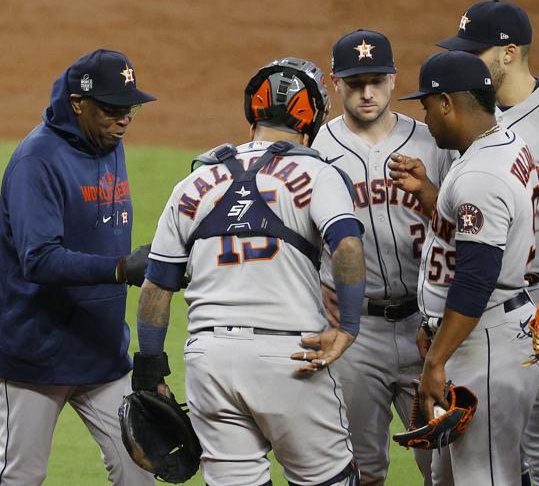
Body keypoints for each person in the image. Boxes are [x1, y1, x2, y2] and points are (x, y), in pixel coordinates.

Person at [129, 57, 366, 486]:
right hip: (291, 357)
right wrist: (347, 326)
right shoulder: (318, 174)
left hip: (210, 361)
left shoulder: (192, 184)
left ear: (252, 111)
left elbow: (156, 287)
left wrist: (148, 369)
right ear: (311, 115)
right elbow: (347, 246)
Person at [0, 49, 156, 486]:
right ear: (79, 103)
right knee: (21, 475)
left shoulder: (108, 143)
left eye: (129, 109)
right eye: (112, 109)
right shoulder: (37, 161)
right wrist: (119, 269)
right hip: (35, 350)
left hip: (100, 348)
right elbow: (38, 258)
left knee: (139, 474)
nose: (123, 120)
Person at [436, 0, 539, 486]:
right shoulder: (470, 115)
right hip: (475, 313)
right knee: (486, 458)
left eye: (474, 52)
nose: (462, 62)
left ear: (508, 53)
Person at [388, 50, 539, 485]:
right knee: (449, 479)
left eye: (425, 106)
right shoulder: (502, 141)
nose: (425, 117)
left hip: (484, 344)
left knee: (484, 478)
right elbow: (477, 232)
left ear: (446, 103)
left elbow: (476, 278)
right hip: (483, 332)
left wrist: (435, 362)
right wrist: (430, 195)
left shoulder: (481, 174)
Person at [311, 29, 455, 485]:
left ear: (394, 80)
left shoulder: (433, 143)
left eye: (376, 80)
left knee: (447, 464)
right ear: (335, 83)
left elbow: (461, 230)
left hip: (428, 327)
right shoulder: (315, 150)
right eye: (355, 83)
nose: (367, 93)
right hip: (356, 333)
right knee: (362, 468)